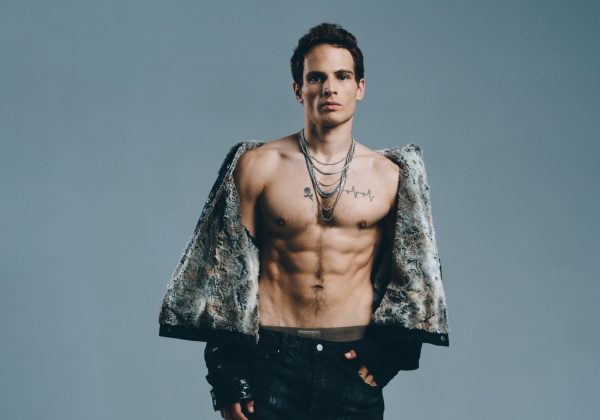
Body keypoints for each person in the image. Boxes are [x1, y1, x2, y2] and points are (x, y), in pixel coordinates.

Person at [159, 23, 450, 420]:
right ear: (299, 90)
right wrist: (228, 374)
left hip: (350, 366)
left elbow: (412, 278)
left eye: (342, 76)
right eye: (316, 77)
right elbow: (223, 275)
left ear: (360, 87)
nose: (330, 88)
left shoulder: (390, 177)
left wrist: (388, 355)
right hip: (272, 362)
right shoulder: (258, 166)